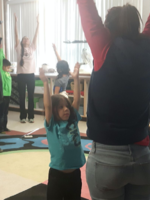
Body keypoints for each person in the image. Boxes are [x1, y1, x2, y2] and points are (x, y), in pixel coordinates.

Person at [77, 0, 150, 199]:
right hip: (143, 158)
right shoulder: (147, 48)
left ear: (107, 29)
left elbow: (87, 8)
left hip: (107, 160)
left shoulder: (104, 47)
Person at [40, 63, 86, 200]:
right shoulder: (52, 124)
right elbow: (48, 105)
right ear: (54, 111)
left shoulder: (73, 120)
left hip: (74, 174)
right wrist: (45, 83)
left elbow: (76, 100)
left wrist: (76, 79)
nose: (66, 109)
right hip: (57, 175)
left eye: (66, 106)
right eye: (60, 107)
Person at [14, 13, 39, 123]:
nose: (26, 40)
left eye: (27, 39)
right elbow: (16, 35)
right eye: (24, 39)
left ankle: (31, 116)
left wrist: (38, 23)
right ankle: (22, 116)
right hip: (21, 75)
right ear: (22, 41)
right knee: (22, 96)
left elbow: (36, 35)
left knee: (30, 96)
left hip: (30, 75)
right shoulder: (19, 48)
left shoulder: (32, 48)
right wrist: (15, 22)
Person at [0, 45, 12, 133]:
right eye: (7, 67)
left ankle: (5, 126)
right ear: (2, 67)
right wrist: (1, 48)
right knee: (1, 113)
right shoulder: (1, 72)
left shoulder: (7, 73)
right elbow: (0, 59)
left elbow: (4, 59)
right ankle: (0, 128)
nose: (8, 69)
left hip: (7, 95)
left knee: (6, 112)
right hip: (2, 95)